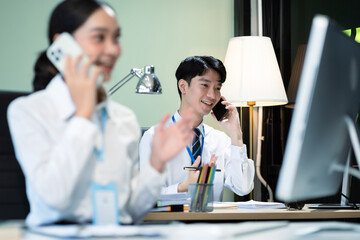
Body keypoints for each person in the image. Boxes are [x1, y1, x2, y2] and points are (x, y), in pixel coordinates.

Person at [7, 0, 194, 226]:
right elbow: (55, 196)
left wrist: (156, 164)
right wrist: (83, 116)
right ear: (62, 44)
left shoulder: (124, 119)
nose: (113, 49)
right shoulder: (29, 111)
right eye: (99, 37)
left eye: (116, 38)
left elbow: (130, 212)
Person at [139, 56, 255, 201]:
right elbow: (146, 196)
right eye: (205, 85)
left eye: (217, 88)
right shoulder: (154, 137)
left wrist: (236, 135)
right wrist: (184, 186)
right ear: (183, 87)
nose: (212, 95)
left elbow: (243, 187)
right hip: (171, 222)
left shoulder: (221, 140)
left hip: (212, 223)